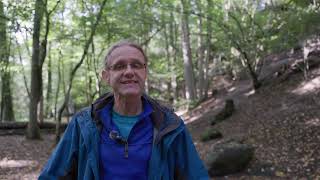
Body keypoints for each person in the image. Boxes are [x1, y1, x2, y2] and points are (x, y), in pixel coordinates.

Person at [39, 40, 209, 180]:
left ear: (145, 73)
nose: (129, 72)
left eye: (136, 65)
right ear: (106, 76)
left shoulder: (170, 125)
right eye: (120, 66)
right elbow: (52, 176)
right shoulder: (84, 123)